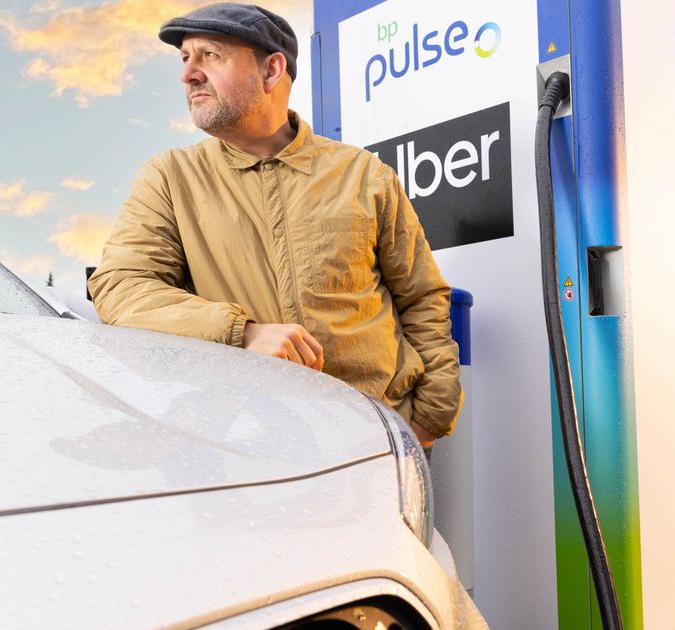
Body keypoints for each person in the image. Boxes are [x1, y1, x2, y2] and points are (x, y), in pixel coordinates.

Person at [89, 3, 461, 447]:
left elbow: (421, 297)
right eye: (185, 58)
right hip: (241, 445)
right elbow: (122, 287)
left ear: (271, 71)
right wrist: (240, 333)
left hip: (374, 435)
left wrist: (430, 417)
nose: (188, 74)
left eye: (210, 55)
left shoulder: (363, 174)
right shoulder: (170, 177)